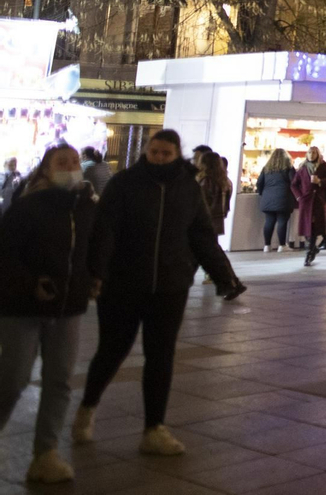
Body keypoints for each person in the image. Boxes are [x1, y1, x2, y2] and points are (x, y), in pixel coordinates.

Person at [74, 129, 244, 458]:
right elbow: (104, 231)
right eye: (155, 152)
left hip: (169, 287)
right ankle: (87, 408)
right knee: (112, 351)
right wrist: (96, 273)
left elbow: (202, 237)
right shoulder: (125, 183)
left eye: (166, 153)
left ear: (176, 153)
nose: (160, 157)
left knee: (161, 356)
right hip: (123, 285)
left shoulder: (188, 188)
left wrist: (225, 276)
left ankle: (154, 429)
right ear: (147, 152)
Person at [0, 144, 98, 483]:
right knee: (14, 378)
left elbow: (92, 248)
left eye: (74, 162)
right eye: (62, 163)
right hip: (23, 307)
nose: (71, 167)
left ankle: (46, 454)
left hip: (68, 307)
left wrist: (95, 278)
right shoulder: (27, 206)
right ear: (46, 169)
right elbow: (6, 255)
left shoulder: (85, 206)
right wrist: (31, 284)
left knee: (59, 381)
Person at [292, 146, 326, 266]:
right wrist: (299, 197)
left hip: (318, 201)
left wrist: (320, 182)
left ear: (317, 154)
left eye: (314, 153)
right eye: (309, 152)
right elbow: (294, 184)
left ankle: (309, 252)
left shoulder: (324, 167)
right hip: (306, 202)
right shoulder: (303, 168)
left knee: (314, 228)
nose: (311, 155)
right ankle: (312, 249)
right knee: (307, 228)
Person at [255, 148, 296, 252]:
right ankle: (282, 245)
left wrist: (262, 193)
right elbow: (294, 183)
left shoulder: (266, 168)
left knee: (269, 221)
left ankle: (267, 245)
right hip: (284, 198)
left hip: (267, 198)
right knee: (282, 221)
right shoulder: (289, 168)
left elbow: (259, 183)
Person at [195, 150, 231, 241]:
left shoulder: (206, 181)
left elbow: (202, 202)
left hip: (205, 220)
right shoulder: (224, 181)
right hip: (217, 219)